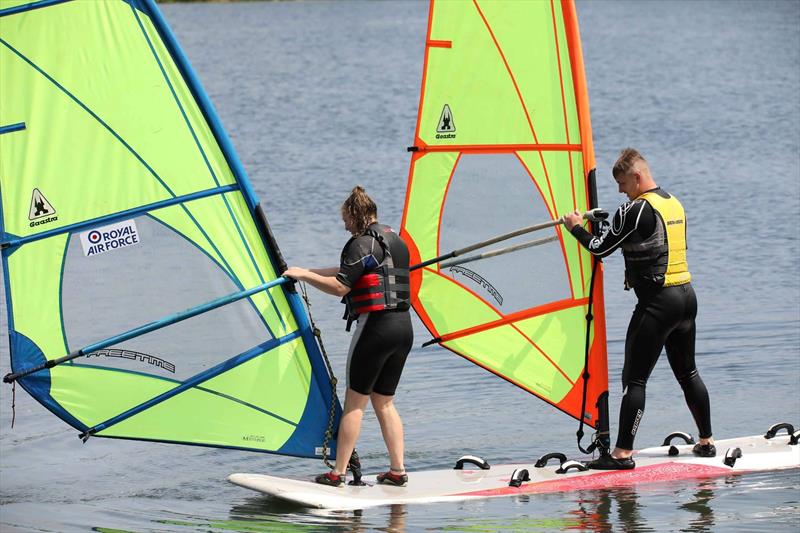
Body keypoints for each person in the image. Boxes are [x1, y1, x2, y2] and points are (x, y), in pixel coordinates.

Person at [563, 148, 714, 470]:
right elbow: (640, 237)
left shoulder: (635, 210)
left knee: (634, 381)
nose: (619, 190)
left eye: (621, 183)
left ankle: (621, 454)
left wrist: (575, 226)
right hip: (686, 298)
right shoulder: (672, 202)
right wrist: (606, 223)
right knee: (688, 373)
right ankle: (706, 442)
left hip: (658, 304)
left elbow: (599, 249)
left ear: (636, 177)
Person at [283, 186, 413, 486]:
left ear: (355, 216)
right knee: (385, 402)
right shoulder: (396, 241)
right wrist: (305, 270)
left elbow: (341, 285)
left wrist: (305, 277)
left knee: (356, 403)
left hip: (375, 329)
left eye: (346, 220)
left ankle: (337, 473)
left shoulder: (360, 243)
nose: (344, 226)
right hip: (403, 328)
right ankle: (397, 470)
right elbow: (351, 271)